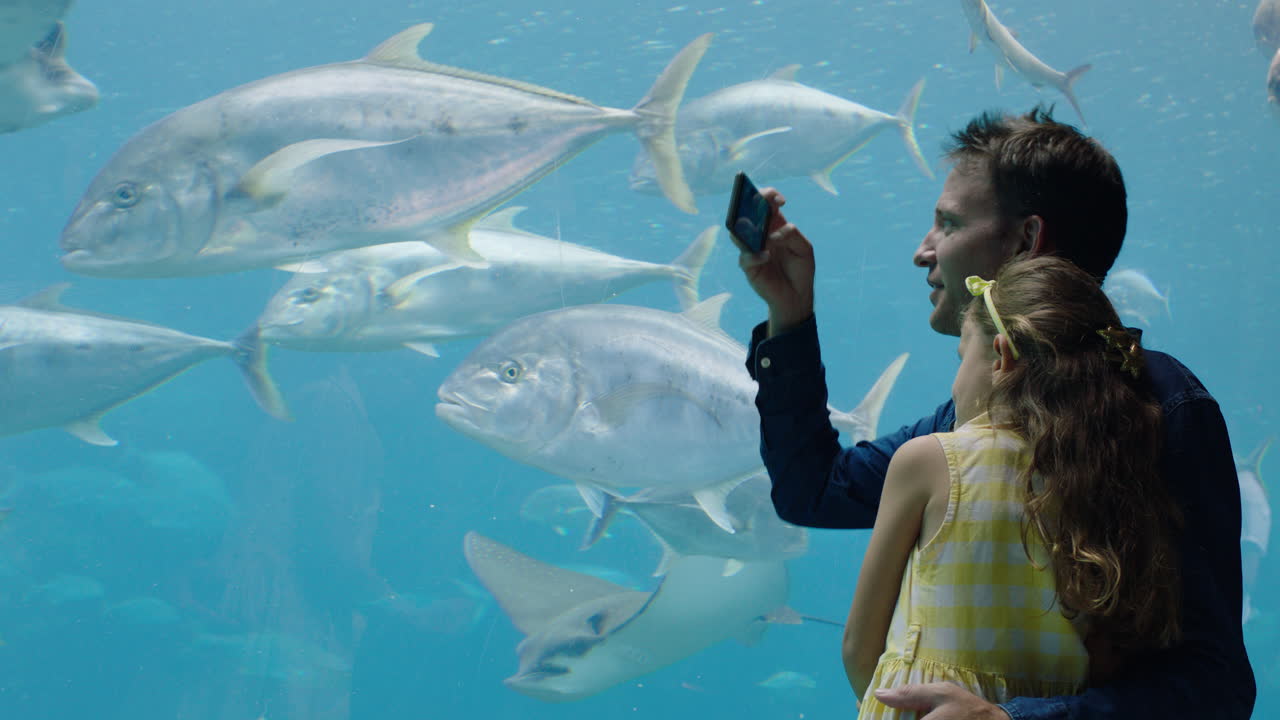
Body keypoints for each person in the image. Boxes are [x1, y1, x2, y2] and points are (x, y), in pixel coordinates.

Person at [734, 107, 1255, 719]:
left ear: (1026, 241)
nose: (921, 252)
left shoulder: (1161, 406)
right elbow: (815, 491)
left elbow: (1215, 683)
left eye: (947, 224)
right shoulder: (970, 421)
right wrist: (790, 317)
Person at [841, 255, 1182, 717]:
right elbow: (1106, 663)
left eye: (962, 356)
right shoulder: (1112, 479)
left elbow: (859, 647)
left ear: (1001, 356)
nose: (956, 382)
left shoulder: (930, 461)